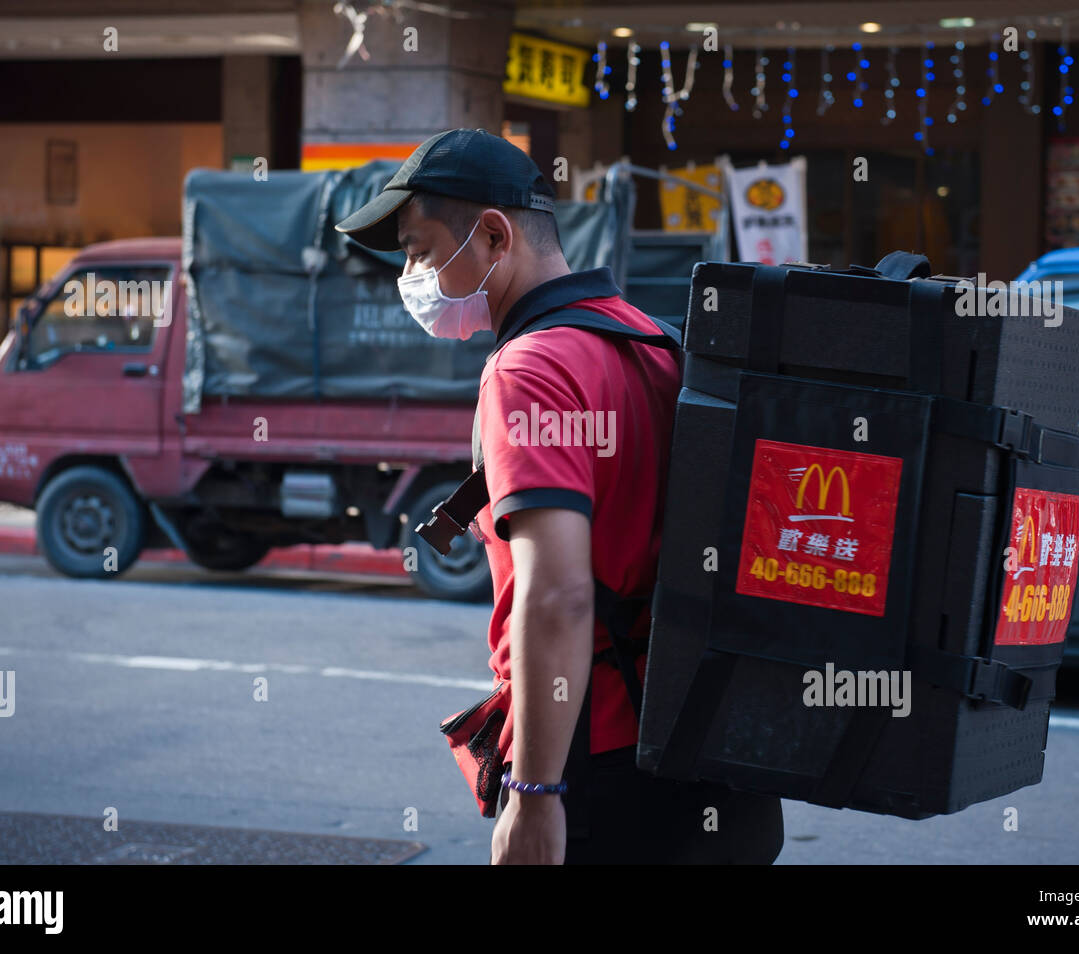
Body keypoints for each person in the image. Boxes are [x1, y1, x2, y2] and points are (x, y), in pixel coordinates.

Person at [336, 128, 784, 865]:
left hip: (609, 778)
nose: (409, 275)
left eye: (418, 249)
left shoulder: (531, 367)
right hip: (717, 765)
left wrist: (536, 797)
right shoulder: (655, 340)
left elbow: (559, 595)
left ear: (490, 235)